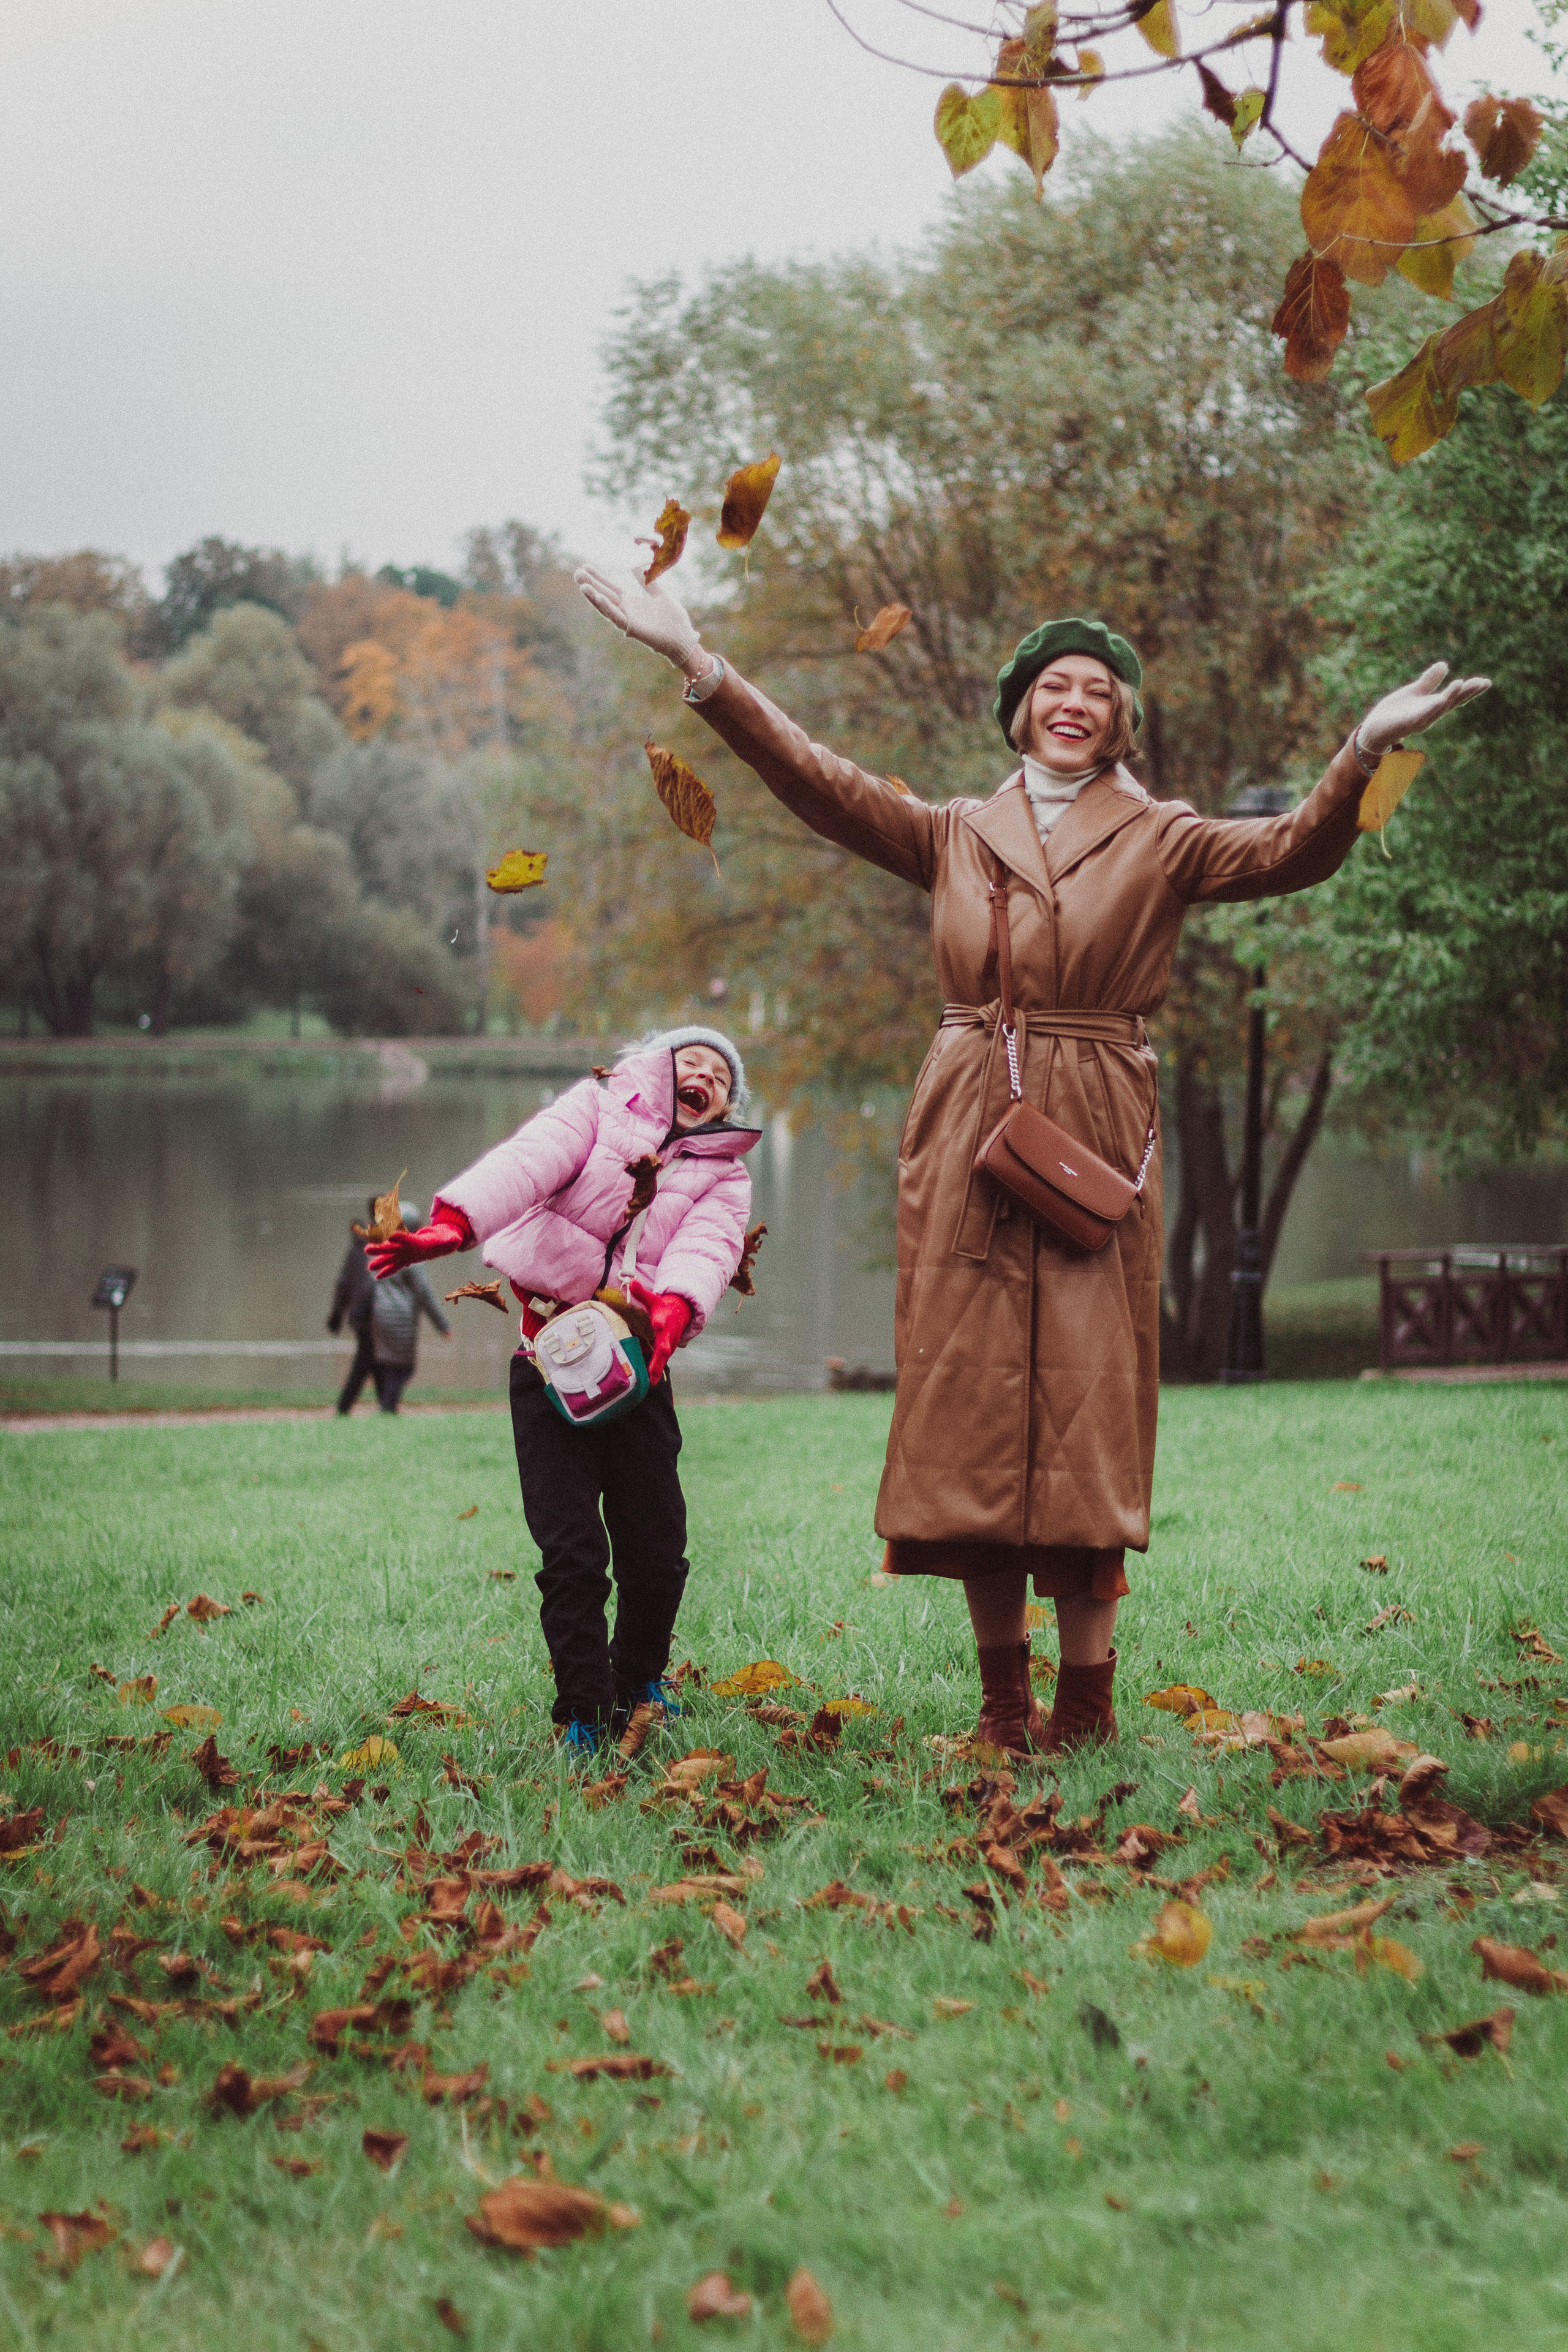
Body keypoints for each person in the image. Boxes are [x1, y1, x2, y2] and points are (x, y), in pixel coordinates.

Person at [573, 560, 1490, 1757]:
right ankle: (1002, 1712)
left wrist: (1369, 753)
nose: (1074, 702)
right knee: (971, 1412)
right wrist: (701, 666)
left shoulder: (1159, 838)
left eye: (1098, 692)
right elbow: (814, 782)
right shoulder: (953, 834)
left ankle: (1086, 1708)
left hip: (1090, 1132)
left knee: (1083, 1407)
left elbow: (1294, 853)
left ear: (1120, 723)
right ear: (1018, 708)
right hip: (966, 1127)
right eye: (1053, 685)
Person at [366, 1029, 758, 1759]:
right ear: (655, 1070)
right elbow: (523, 1166)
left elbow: (709, 1247)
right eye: (690, 1062)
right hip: (546, 1364)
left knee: (658, 1549)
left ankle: (639, 1682)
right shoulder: (596, 1110)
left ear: (723, 1110)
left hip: (642, 1370)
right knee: (572, 1551)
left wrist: (671, 1312)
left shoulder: (723, 1176)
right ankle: (583, 1710)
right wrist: (451, 1227)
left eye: (719, 1078)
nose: (703, 1075)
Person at [328, 1201, 380, 1414]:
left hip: (363, 1315)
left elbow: (344, 1285)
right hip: (371, 1314)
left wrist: (337, 1315)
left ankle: (387, 1403)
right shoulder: (377, 1245)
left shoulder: (358, 1248)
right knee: (367, 1358)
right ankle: (346, 1406)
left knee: (371, 1356)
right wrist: (337, 1316)